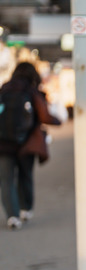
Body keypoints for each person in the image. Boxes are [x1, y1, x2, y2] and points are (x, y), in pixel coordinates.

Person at [0, 62, 61, 230]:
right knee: (25, 175)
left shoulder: (4, 89)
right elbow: (45, 116)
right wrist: (59, 120)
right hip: (27, 143)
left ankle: (12, 217)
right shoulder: (31, 91)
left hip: (3, 143)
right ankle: (25, 209)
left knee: (6, 180)